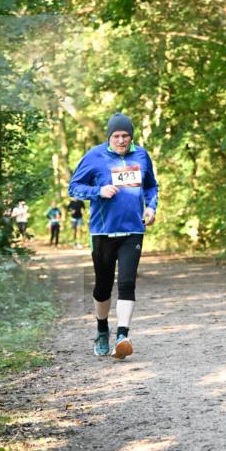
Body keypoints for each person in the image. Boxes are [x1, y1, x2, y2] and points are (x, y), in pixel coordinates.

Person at [68, 113, 158, 360]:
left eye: (125, 136)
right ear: (109, 136)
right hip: (103, 231)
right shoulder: (94, 156)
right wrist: (99, 190)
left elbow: (151, 186)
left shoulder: (141, 155)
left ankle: (122, 335)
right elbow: (73, 187)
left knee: (127, 283)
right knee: (103, 286)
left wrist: (151, 208)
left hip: (133, 230)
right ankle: (101, 329)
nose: (121, 140)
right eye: (116, 136)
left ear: (131, 136)